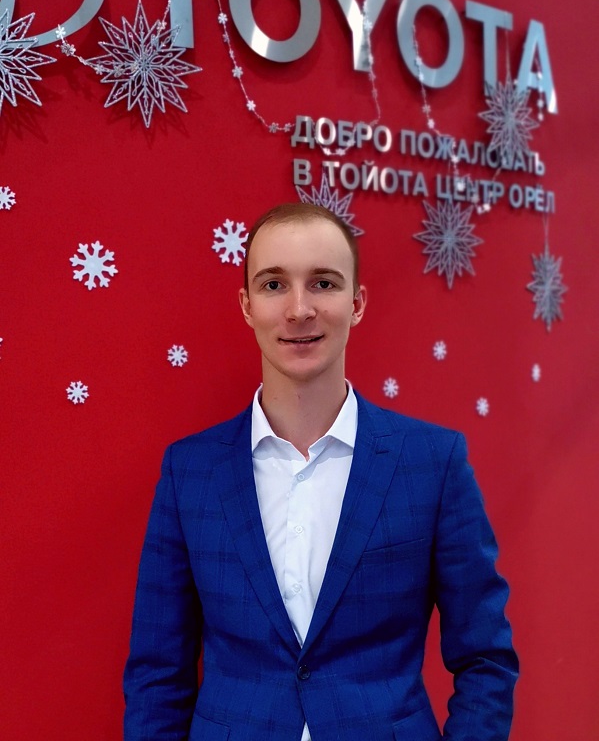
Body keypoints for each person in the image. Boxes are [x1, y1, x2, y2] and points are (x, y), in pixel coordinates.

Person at [123, 202, 518, 741]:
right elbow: (157, 674)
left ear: (357, 304)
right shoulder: (190, 471)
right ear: (247, 306)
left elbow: (486, 659)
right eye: (274, 285)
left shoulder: (433, 462)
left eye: (324, 283)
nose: (299, 308)